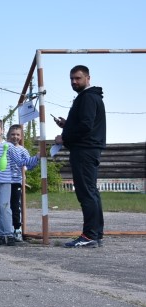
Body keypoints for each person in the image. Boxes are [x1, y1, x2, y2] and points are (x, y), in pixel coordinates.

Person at [55, 65, 106, 248]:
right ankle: (96, 234)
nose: (74, 82)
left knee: (86, 194)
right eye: (72, 79)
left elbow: (86, 126)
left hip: (85, 150)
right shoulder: (88, 97)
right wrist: (67, 124)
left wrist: (64, 138)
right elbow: (84, 123)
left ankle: (90, 235)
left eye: (78, 78)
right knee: (91, 192)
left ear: (88, 78)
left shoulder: (88, 97)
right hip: (88, 149)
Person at [0, 120, 40, 246]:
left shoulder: (9, 146)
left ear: (2, 130)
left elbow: (20, 162)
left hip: (6, 182)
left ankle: (9, 233)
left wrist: (36, 158)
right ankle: (0, 234)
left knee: (5, 207)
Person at [7, 125, 26, 241]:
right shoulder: (4, 147)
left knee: (15, 205)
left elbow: (27, 163)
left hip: (16, 181)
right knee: (3, 206)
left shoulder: (22, 150)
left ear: (21, 136)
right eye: (13, 134)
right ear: (9, 135)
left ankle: (17, 229)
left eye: (18, 134)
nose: (15, 137)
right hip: (4, 181)